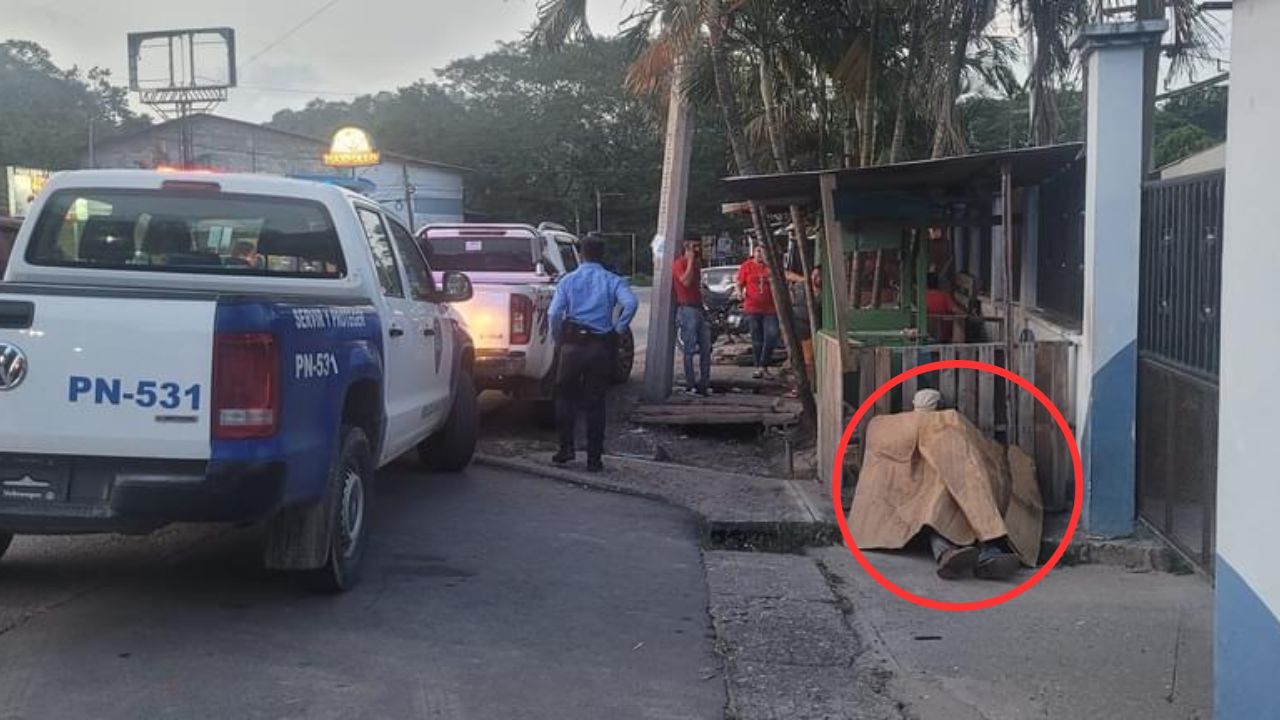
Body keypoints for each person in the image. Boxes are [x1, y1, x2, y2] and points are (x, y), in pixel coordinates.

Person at [847, 389, 1040, 581]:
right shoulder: (947, 424)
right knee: (939, 515)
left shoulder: (889, 427)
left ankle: (958, 554)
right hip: (932, 503)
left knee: (938, 514)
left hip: (915, 504)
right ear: (939, 406)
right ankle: (980, 551)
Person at [547, 234, 638, 473]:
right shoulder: (612, 280)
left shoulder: (568, 281)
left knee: (565, 397)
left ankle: (566, 449)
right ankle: (594, 459)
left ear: (581, 254)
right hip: (600, 345)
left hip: (572, 345)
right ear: (602, 254)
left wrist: (559, 338)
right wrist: (617, 329)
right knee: (595, 403)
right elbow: (630, 303)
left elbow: (554, 314)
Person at [673, 236, 713, 396]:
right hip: (686, 309)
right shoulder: (679, 263)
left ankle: (704, 383)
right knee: (689, 349)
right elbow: (686, 282)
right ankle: (691, 385)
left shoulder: (696, 265)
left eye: (698, 247)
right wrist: (689, 261)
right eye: (694, 247)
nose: (698, 250)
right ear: (686, 249)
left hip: (698, 308)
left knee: (706, 347)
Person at [736, 243, 779, 379]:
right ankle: (759, 367)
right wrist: (739, 292)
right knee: (756, 338)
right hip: (753, 307)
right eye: (758, 251)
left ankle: (763, 364)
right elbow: (739, 282)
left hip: (770, 308)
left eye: (763, 251)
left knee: (772, 335)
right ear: (754, 252)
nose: (760, 254)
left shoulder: (771, 267)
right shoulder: (747, 266)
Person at [925, 272, 966, 342]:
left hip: (926, 330)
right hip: (943, 332)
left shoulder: (921, 297)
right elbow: (957, 310)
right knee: (959, 319)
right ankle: (959, 347)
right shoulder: (944, 296)